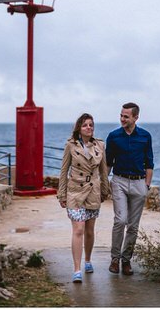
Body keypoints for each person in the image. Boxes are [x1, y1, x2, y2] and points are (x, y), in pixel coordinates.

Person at [57, 113, 110, 283]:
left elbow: (103, 171)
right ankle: (77, 269)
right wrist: (62, 194)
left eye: (91, 125)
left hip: (93, 192)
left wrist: (104, 191)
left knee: (89, 230)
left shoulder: (100, 145)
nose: (89, 127)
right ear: (79, 128)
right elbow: (64, 171)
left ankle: (88, 260)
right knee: (78, 230)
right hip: (75, 192)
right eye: (85, 125)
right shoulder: (70, 146)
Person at [105, 102, 153, 276]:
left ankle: (126, 260)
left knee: (133, 226)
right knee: (120, 220)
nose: (122, 119)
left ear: (135, 117)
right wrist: (104, 183)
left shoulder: (146, 136)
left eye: (126, 116)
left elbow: (149, 163)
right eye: (121, 115)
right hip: (119, 181)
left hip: (139, 183)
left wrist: (146, 186)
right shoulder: (113, 136)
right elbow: (108, 163)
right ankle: (114, 259)